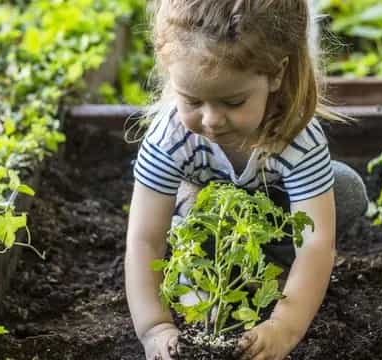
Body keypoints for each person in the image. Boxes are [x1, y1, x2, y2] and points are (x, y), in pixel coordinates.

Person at [124, 1, 368, 359]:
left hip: (272, 221)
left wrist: (283, 327)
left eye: (233, 101)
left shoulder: (296, 136)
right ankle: (198, 279)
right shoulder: (170, 138)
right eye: (191, 100)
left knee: (344, 189)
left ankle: (278, 278)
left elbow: (316, 243)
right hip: (208, 228)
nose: (211, 120)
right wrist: (155, 328)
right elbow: (144, 240)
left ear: (276, 75)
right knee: (188, 224)